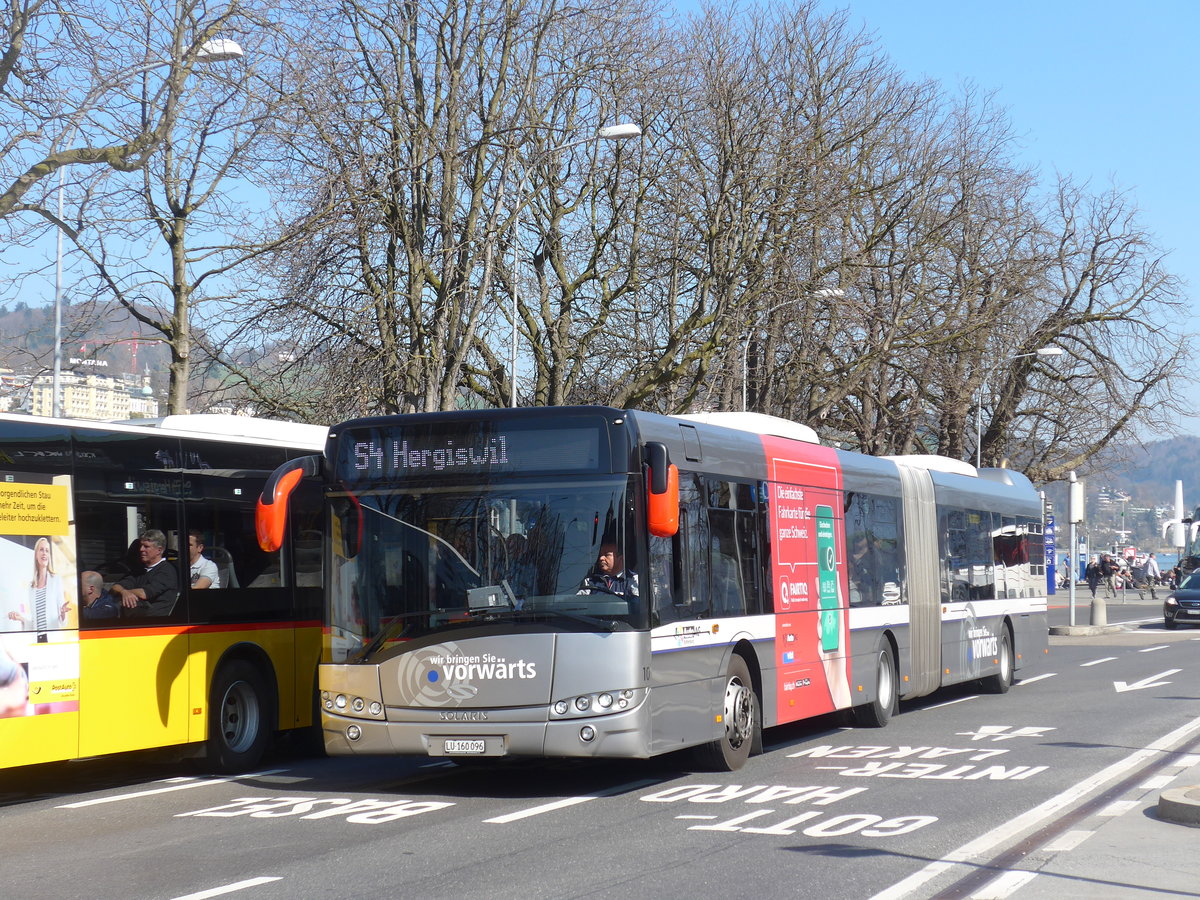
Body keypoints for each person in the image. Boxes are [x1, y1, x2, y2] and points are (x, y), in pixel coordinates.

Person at [7, 537, 69, 637]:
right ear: (36, 555)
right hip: (37, 640)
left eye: (47, 550)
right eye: (41, 550)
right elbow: (34, 624)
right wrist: (21, 618)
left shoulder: (56, 580)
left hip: (53, 640)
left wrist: (63, 613)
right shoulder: (31, 587)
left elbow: (63, 622)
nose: (44, 553)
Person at [109, 529, 179, 617]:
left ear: (159, 550)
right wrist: (124, 592)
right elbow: (115, 587)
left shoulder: (167, 571)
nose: (141, 549)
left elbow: (144, 594)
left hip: (155, 622)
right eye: (141, 546)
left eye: (146, 546)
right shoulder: (139, 570)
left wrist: (127, 592)